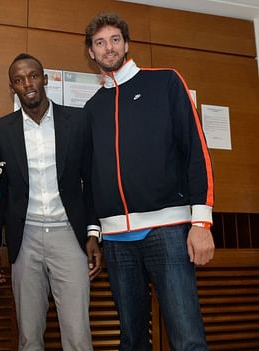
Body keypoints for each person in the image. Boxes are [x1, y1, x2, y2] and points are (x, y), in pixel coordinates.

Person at [83, 13, 215, 351]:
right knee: (131, 338)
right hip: (116, 240)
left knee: (186, 338)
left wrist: (201, 222)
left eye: (114, 39)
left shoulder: (166, 82)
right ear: (91, 53)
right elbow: (90, 175)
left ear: (127, 44)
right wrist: (95, 231)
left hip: (168, 231)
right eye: (100, 42)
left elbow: (195, 150)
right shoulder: (92, 107)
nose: (108, 47)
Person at [0, 53, 102, 351]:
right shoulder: (1, 128)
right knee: (28, 334)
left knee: (78, 335)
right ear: (12, 87)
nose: (28, 83)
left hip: (68, 235)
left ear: (45, 78)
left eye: (33, 75)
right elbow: (2, 188)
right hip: (24, 239)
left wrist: (93, 232)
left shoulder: (77, 121)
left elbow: (90, 180)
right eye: (19, 79)